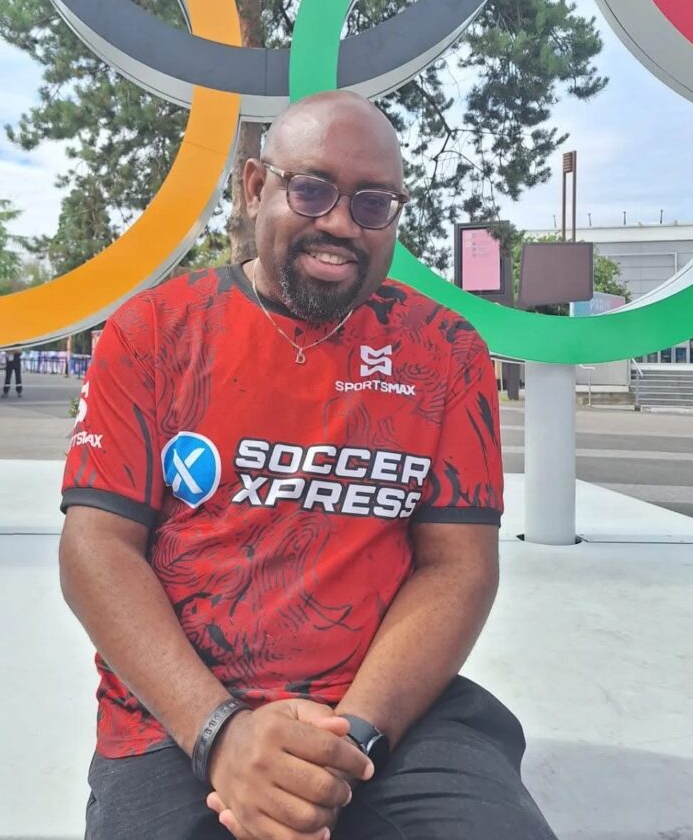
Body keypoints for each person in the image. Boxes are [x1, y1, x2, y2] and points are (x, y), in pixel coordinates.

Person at [60, 90, 556, 840]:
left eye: (372, 203)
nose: (341, 224)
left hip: (392, 714)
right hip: (175, 720)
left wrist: (346, 744)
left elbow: (457, 567)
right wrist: (220, 735)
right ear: (255, 186)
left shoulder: (445, 352)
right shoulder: (153, 332)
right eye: (313, 189)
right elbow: (96, 548)